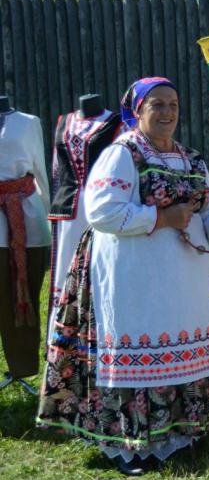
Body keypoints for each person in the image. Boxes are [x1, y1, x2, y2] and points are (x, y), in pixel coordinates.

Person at [36, 77, 209, 475]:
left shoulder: (192, 159)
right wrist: (160, 218)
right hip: (134, 274)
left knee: (178, 345)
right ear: (136, 111)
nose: (167, 112)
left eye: (173, 104)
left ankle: (178, 434)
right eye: (156, 105)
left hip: (183, 277)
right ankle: (130, 447)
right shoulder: (122, 154)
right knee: (137, 346)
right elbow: (103, 211)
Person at [47, 94, 125, 333]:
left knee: (100, 268)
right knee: (65, 272)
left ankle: (100, 332)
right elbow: (57, 171)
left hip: (102, 207)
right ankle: (62, 336)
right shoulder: (63, 122)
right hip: (68, 212)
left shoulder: (116, 124)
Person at [0, 100, 50, 393]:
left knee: (27, 290)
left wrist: (47, 212)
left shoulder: (29, 122)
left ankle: (24, 366)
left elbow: (40, 169)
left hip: (26, 215)